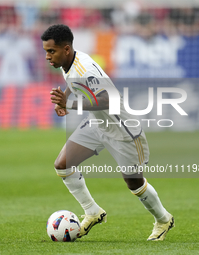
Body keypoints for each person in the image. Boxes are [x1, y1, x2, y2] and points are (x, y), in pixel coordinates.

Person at [41, 24, 174, 241]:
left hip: (122, 130)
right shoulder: (69, 62)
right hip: (96, 125)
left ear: (65, 49)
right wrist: (64, 99)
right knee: (62, 165)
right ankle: (92, 212)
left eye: (51, 51)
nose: (47, 56)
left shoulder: (85, 68)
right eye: (46, 51)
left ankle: (163, 219)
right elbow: (73, 82)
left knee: (133, 181)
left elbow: (107, 100)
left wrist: (71, 104)